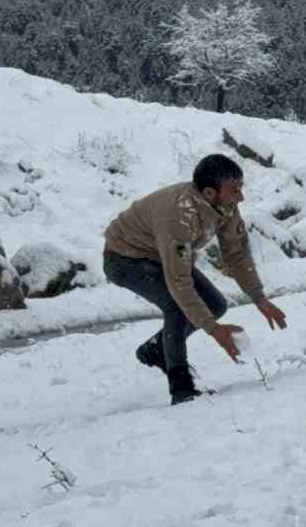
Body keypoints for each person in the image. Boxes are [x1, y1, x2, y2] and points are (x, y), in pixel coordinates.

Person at [103, 154, 287, 404]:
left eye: (240, 189)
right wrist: (214, 331)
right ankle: (181, 389)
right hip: (125, 258)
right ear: (210, 193)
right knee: (177, 307)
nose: (241, 197)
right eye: (235, 190)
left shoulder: (226, 206)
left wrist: (259, 298)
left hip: (160, 253)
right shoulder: (179, 215)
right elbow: (179, 282)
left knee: (215, 305)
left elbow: (237, 255)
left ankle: (157, 350)